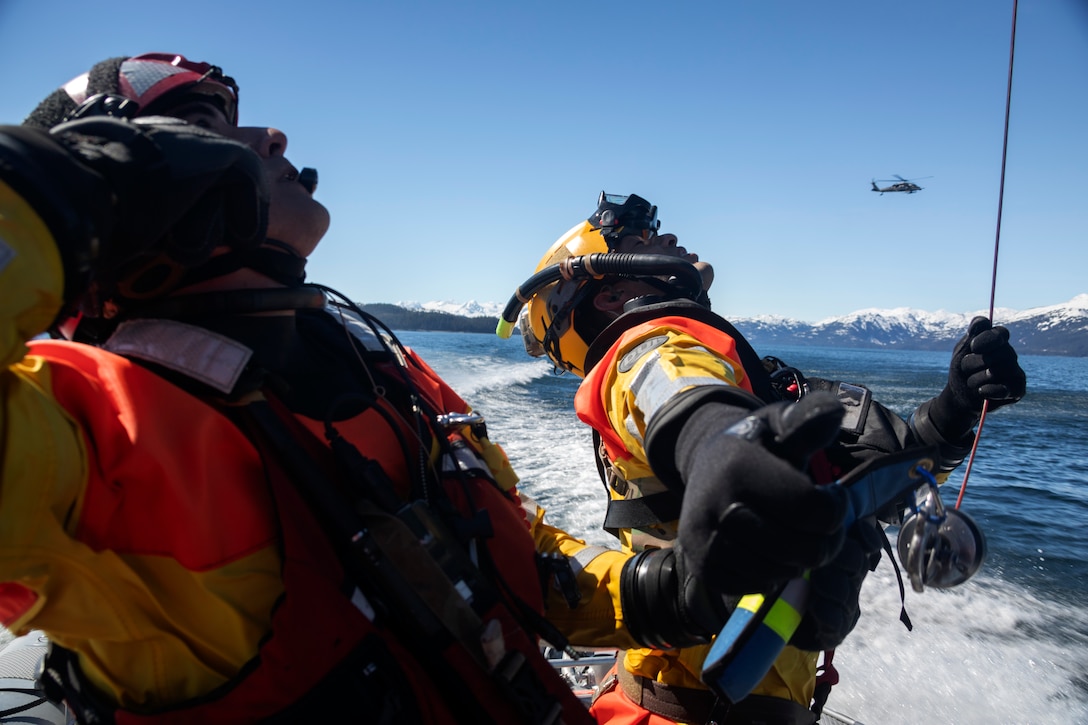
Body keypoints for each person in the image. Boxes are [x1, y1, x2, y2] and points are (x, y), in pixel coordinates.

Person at [0, 54, 852, 724]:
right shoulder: (87, 429)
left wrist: (675, 589)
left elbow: (520, 568)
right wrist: (59, 194)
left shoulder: (381, 372)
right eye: (200, 122)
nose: (274, 137)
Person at [499, 191, 1027, 724]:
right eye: (642, 238)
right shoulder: (652, 344)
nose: (667, 237)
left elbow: (878, 473)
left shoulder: (747, 372)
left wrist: (954, 409)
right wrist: (721, 449)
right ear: (611, 297)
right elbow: (681, 399)